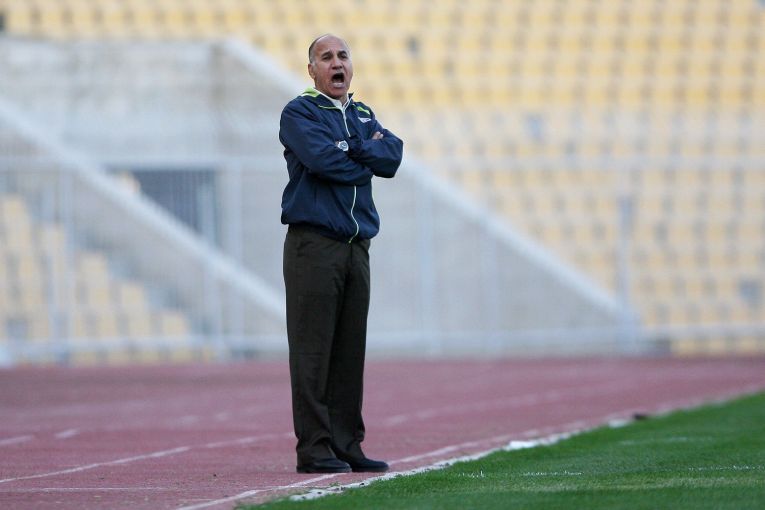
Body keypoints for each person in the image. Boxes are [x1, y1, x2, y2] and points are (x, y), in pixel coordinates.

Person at [278, 34, 404, 474]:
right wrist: (364, 152)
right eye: (326, 57)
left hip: (356, 249)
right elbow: (324, 162)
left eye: (343, 56)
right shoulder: (300, 112)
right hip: (314, 246)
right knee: (313, 352)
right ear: (311, 69)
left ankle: (347, 444)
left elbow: (392, 157)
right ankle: (314, 448)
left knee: (349, 352)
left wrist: (353, 147)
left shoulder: (363, 113)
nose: (337, 63)